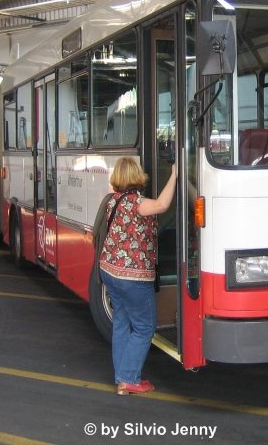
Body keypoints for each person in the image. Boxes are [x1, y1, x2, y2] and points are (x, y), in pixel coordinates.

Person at [99, 157, 177, 396]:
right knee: (145, 327)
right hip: (132, 276)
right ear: (135, 176)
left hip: (109, 271)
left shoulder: (113, 201)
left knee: (122, 322)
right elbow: (163, 205)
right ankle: (129, 378)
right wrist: (175, 174)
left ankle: (121, 376)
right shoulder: (135, 204)